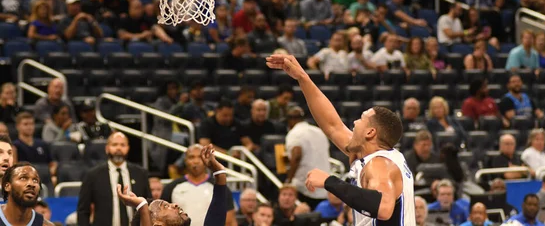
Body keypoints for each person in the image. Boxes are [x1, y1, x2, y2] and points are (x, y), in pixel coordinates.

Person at [266, 53, 416, 224]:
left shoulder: (379, 164)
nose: (354, 122)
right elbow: (332, 126)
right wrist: (302, 77)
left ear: (370, 133)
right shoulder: (372, 154)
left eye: (361, 119)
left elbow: (383, 207)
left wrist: (329, 181)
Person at [116, 144, 230, 226]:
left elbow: (216, 218)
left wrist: (219, 172)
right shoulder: (174, 186)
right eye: (165, 206)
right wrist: (142, 207)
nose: (174, 205)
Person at [77, 132, 151, 226]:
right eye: (114, 144)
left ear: (128, 148)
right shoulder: (93, 175)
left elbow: (148, 204)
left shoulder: (141, 173)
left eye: (122, 145)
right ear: (107, 148)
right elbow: (83, 210)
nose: (118, 148)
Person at [161, 144, 236, 226]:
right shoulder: (171, 187)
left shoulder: (219, 187)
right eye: (191, 157)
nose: (196, 161)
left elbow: (229, 220)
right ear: (185, 160)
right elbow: (162, 218)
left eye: (200, 157)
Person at [284, 106, 330, 208]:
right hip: (324, 185)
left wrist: (289, 179)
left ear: (291, 120)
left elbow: (296, 156)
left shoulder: (294, 133)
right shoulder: (319, 131)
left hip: (305, 188)